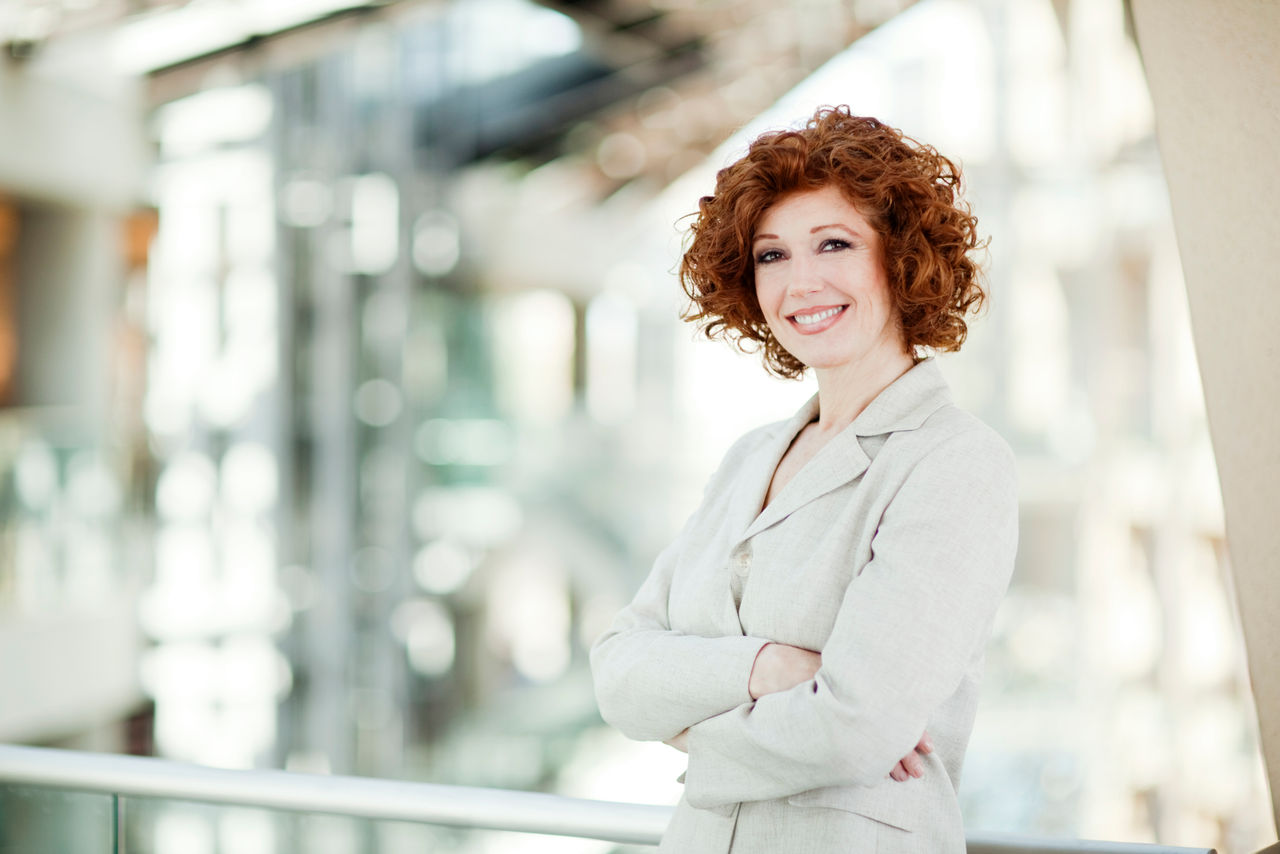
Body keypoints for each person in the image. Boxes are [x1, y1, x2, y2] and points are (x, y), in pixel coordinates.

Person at [589, 105, 1019, 853]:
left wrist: (685, 728)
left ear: (900, 257)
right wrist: (770, 668)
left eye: (834, 243)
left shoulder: (952, 460)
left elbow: (854, 727)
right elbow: (620, 669)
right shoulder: (751, 456)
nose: (802, 281)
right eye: (771, 255)